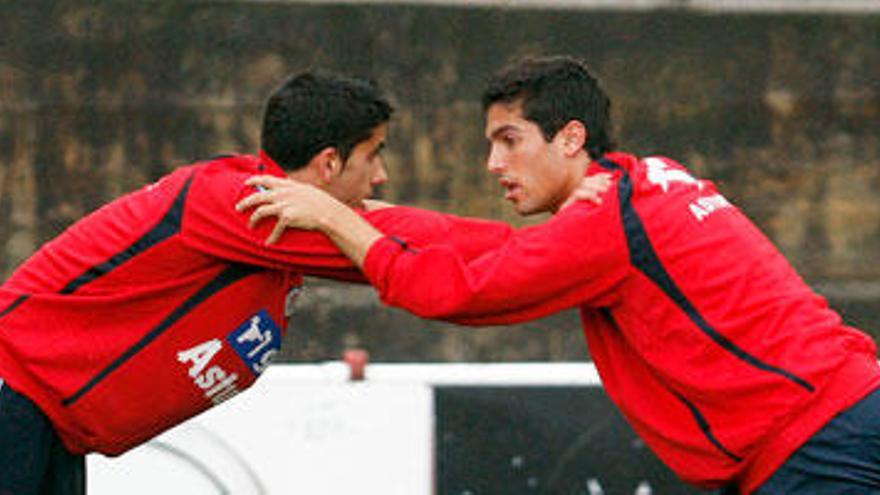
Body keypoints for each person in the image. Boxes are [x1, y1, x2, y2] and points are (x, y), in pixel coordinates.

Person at [238, 56, 880, 494]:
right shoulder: (642, 179)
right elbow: (500, 248)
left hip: (818, 447)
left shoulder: (599, 225)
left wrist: (335, 219)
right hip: (845, 417)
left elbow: (450, 291)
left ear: (570, 138)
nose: (493, 162)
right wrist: (379, 216)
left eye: (509, 140)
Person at [0, 69, 544, 495]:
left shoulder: (271, 215)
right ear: (329, 164)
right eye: (374, 155)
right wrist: (558, 243)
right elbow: (406, 248)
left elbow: (388, 224)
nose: (380, 175)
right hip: (14, 400)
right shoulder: (251, 209)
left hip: (43, 423)